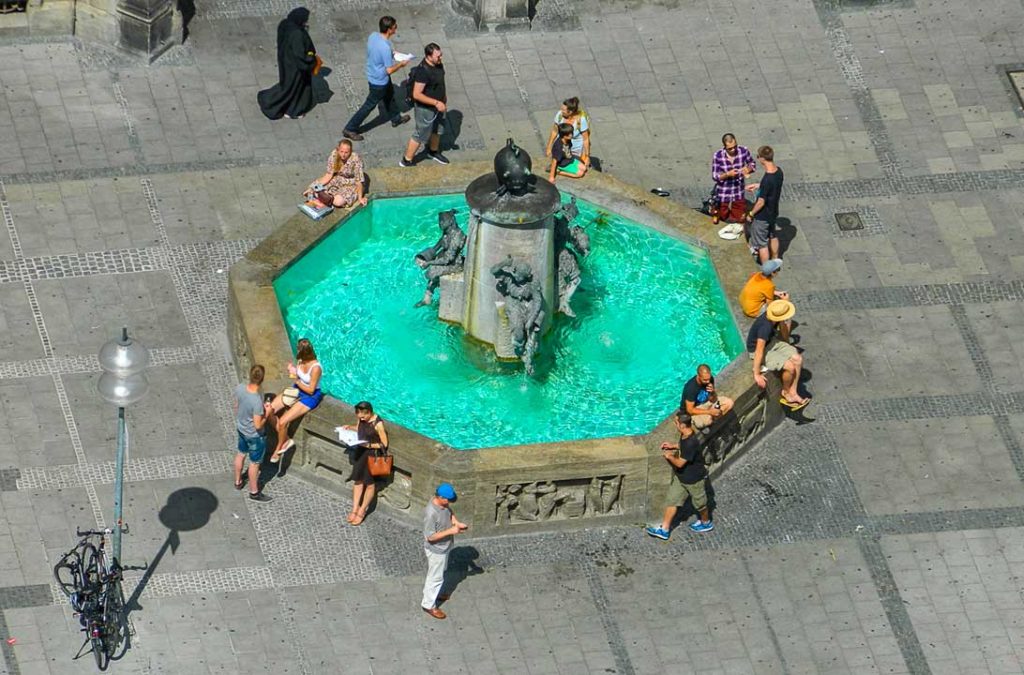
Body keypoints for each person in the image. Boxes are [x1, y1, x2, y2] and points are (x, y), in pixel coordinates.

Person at [342, 16, 411, 141]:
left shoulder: (373, 36)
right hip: (379, 81)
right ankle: (350, 128)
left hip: (372, 73)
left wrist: (392, 53)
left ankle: (395, 118)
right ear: (389, 29)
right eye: (395, 26)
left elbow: (375, 52)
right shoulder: (385, 47)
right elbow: (389, 70)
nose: (396, 28)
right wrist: (401, 64)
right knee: (369, 105)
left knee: (389, 95)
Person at [646, 412, 712, 539]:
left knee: (700, 504)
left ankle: (705, 522)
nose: (675, 424)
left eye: (676, 423)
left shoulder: (690, 442)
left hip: (694, 479)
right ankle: (664, 530)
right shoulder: (686, 434)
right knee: (672, 500)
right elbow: (683, 448)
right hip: (681, 477)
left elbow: (680, 463)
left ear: (682, 425)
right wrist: (673, 446)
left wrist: (670, 456)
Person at [268, 338, 323, 462]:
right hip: (297, 389)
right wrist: (292, 371)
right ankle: (286, 438)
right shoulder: (300, 360)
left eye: (299, 351)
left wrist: (297, 381)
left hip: (310, 396)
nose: (297, 354)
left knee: (282, 422)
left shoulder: (316, 368)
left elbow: (311, 390)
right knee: (268, 410)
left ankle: (279, 447)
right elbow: (298, 377)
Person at [257, 7, 318, 121]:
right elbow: (300, 54)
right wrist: (311, 58)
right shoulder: (297, 34)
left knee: (287, 85)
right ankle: (291, 109)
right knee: (294, 88)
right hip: (296, 66)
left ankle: (276, 102)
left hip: (286, 60)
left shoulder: (285, 24)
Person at [748, 299, 808, 409]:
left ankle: (793, 391)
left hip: (772, 342)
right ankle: (786, 392)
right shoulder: (764, 327)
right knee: (790, 367)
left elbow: (785, 335)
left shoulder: (775, 319)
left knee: (798, 359)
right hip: (759, 350)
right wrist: (756, 374)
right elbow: (759, 350)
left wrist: (787, 347)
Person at [422, 482, 467, 620]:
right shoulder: (431, 513)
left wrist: (456, 522)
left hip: (445, 546)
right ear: (440, 497)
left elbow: (449, 512)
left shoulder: (443, 504)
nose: (448, 502)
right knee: (435, 577)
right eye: (447, 499)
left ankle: (436, 594)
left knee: (441, 571)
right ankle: (429, 604)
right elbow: (430, 537)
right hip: (437, 549)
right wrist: (451, 530)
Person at [400, 43, 450, 167]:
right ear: (429, 56)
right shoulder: (423, 72)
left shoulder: (438, 65)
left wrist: (443, 98)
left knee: (438, 129)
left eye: (441, 55)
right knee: (420, 134)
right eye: (437, 56)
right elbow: (417, 94)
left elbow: (441, 83)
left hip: (439, 105)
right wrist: (436, 103)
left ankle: (433, 152)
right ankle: (407, 160)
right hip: (426, 109)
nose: (440, 58)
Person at [340, 401, 389, 526]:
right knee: (358, 480)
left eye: (363, 416)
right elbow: (359, 429)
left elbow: (384, 444)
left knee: (370, 484)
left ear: (370, 413)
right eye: (359, 415)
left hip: (372, 454)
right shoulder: (361, 419)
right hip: (361, 452)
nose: (360, 418)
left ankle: (362, 511)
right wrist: (349, 427)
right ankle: (355, 508)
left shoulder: (378, 424)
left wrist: (369, 445)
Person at [234, 365, 272, 502]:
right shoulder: (256, 401)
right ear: (262, 378)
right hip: (254, 436)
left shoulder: (240, 388)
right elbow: (257, 425)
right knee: (255, 463)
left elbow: (237, 406)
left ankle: (238, 482)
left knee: (240, 453)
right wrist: (267, 413)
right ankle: (254, 492)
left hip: (241, 429)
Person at [744, 145, 785, 263]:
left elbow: (761, 202)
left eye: (758, 156)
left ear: (762, 158)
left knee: (761, 244)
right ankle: (775, 260)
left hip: (763, 216)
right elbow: (772, 187)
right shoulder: (778, 171)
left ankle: (766, 269)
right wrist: (758, 185)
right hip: (773, 211)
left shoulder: (767, 179)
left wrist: (751, 213)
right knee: (773, 235)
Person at [710, 133, 756, 230]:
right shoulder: (718, 156)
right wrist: (727, 174)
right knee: (721, 215)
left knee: (739, 216)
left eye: (734, 146)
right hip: (724, 190)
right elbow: (715, 176)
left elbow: (752, 164)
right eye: (730, 148)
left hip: (738, 189)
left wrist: (748, 169)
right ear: (724, 147)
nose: (733, 150)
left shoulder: (743, 151)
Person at [304, 139, 367, 209]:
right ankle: (327, 198)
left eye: (346, 152)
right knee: (313, 189)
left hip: (351, 183)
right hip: (338, 179)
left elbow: (359, 182)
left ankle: (327, 198)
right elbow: (328, 175)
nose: (343, 155)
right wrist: (313, 187)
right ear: (338, 149)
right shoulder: (334, 155)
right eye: (341, 151)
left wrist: (360, 198)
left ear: (350, 152)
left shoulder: (356, 159)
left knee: (338, 202)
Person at [680, 364, 734, 430]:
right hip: (696, 408)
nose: (707, 381)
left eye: (708, 379)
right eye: (705, 380)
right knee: (701, 423)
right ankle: (712, 418)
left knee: (729, 403)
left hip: (707, 402)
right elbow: (690, 410)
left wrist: (712, 392)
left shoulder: (710, 379)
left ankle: (714, 418)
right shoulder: (691, 388)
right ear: (698, 376)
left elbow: (712, 399)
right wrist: (710, 412)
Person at [544, 96, 590, 169]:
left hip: (576, 150)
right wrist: (549, 147)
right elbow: (554, 131)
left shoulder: (581, 120)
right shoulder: (560, 116)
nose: (561, 111)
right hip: (562, 148)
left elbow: (586, 139)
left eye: (563, 110)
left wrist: (587, 156)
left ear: (570, 112)